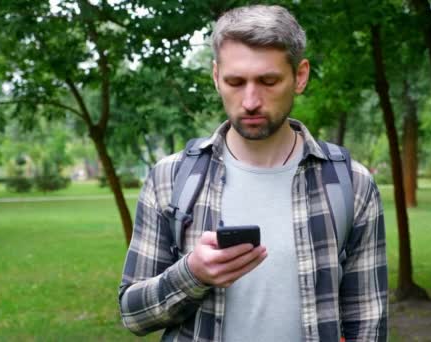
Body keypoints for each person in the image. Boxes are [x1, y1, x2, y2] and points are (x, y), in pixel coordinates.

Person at [118, 4, 387, 341]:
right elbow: (132, 314)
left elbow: (367, 323)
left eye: (268, 81)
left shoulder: (352, 183)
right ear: (216, 77)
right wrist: (193, 273)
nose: (250, 101)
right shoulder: (171, 178)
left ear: (300, 76)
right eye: (235, 81)